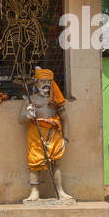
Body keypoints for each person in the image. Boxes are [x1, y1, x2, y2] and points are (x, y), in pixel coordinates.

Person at [19, 66, 74, 202]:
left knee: (56, 163)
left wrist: (65, 138)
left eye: (48, 82)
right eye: (43, 81)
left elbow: (66, 119)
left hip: (53, 134)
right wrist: (28, 115)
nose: (46, 85)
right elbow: (20, 120)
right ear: (36, 82)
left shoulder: (55, 99)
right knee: (34, 162)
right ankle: (34, 192)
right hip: (36, 135)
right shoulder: (31, 100)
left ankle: (60, 191)